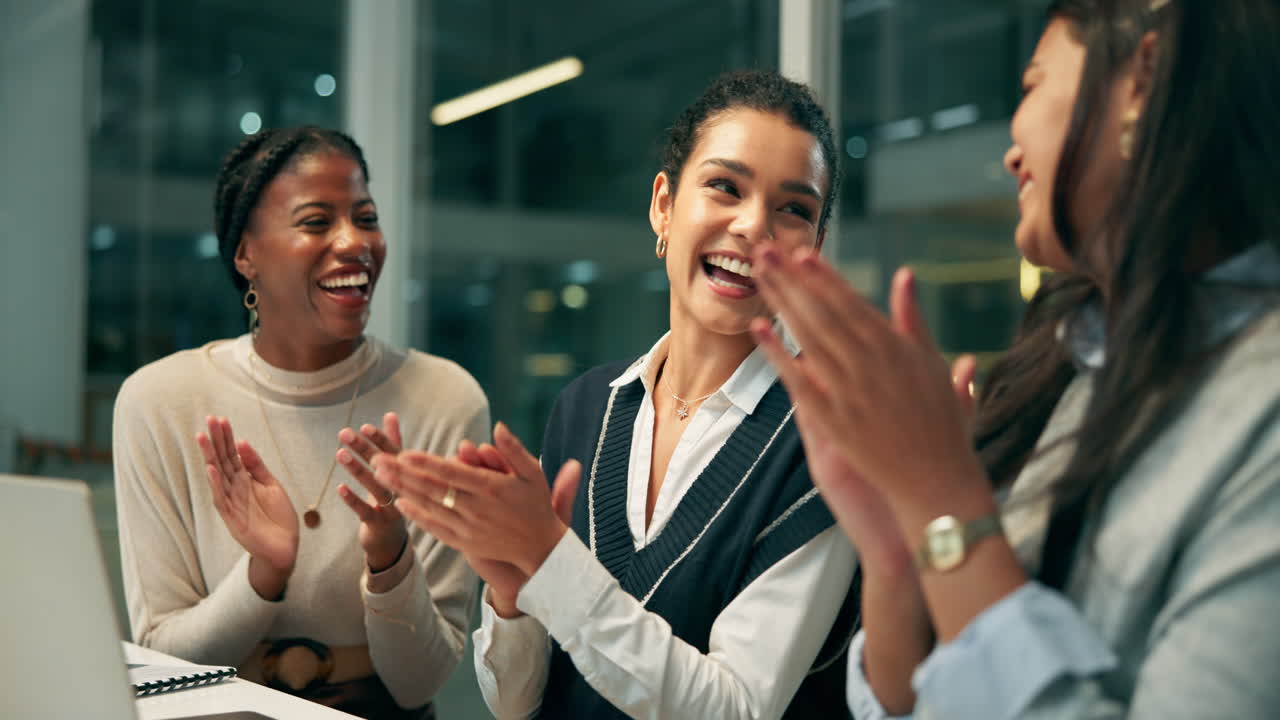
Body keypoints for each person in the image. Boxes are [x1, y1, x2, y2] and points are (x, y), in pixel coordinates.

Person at [750, 1, 1280, 718]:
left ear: (1143, 79)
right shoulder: (1078, 373)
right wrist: (898, 547)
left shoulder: (1257, 406)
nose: (1010, 150)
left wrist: (941, 499)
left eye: (1032, 84)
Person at [374, 70, 860, 719]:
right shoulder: (586, 407)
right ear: (663, 204)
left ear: (816, 249)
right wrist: (513, 594)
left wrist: (551, 563)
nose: (754, 226)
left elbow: (736, 709)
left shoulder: (832, 442)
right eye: (725, 186)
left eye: (794, 209)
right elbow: (518, 704)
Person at [113, 126, 489, 720]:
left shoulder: (444, 399)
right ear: (246, 254)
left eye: (365, 218)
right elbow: (165, 658)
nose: (354, 242)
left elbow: (420, 682)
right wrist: (264, 574)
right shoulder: (159, 401)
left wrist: (391, 558)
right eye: (316, 222)